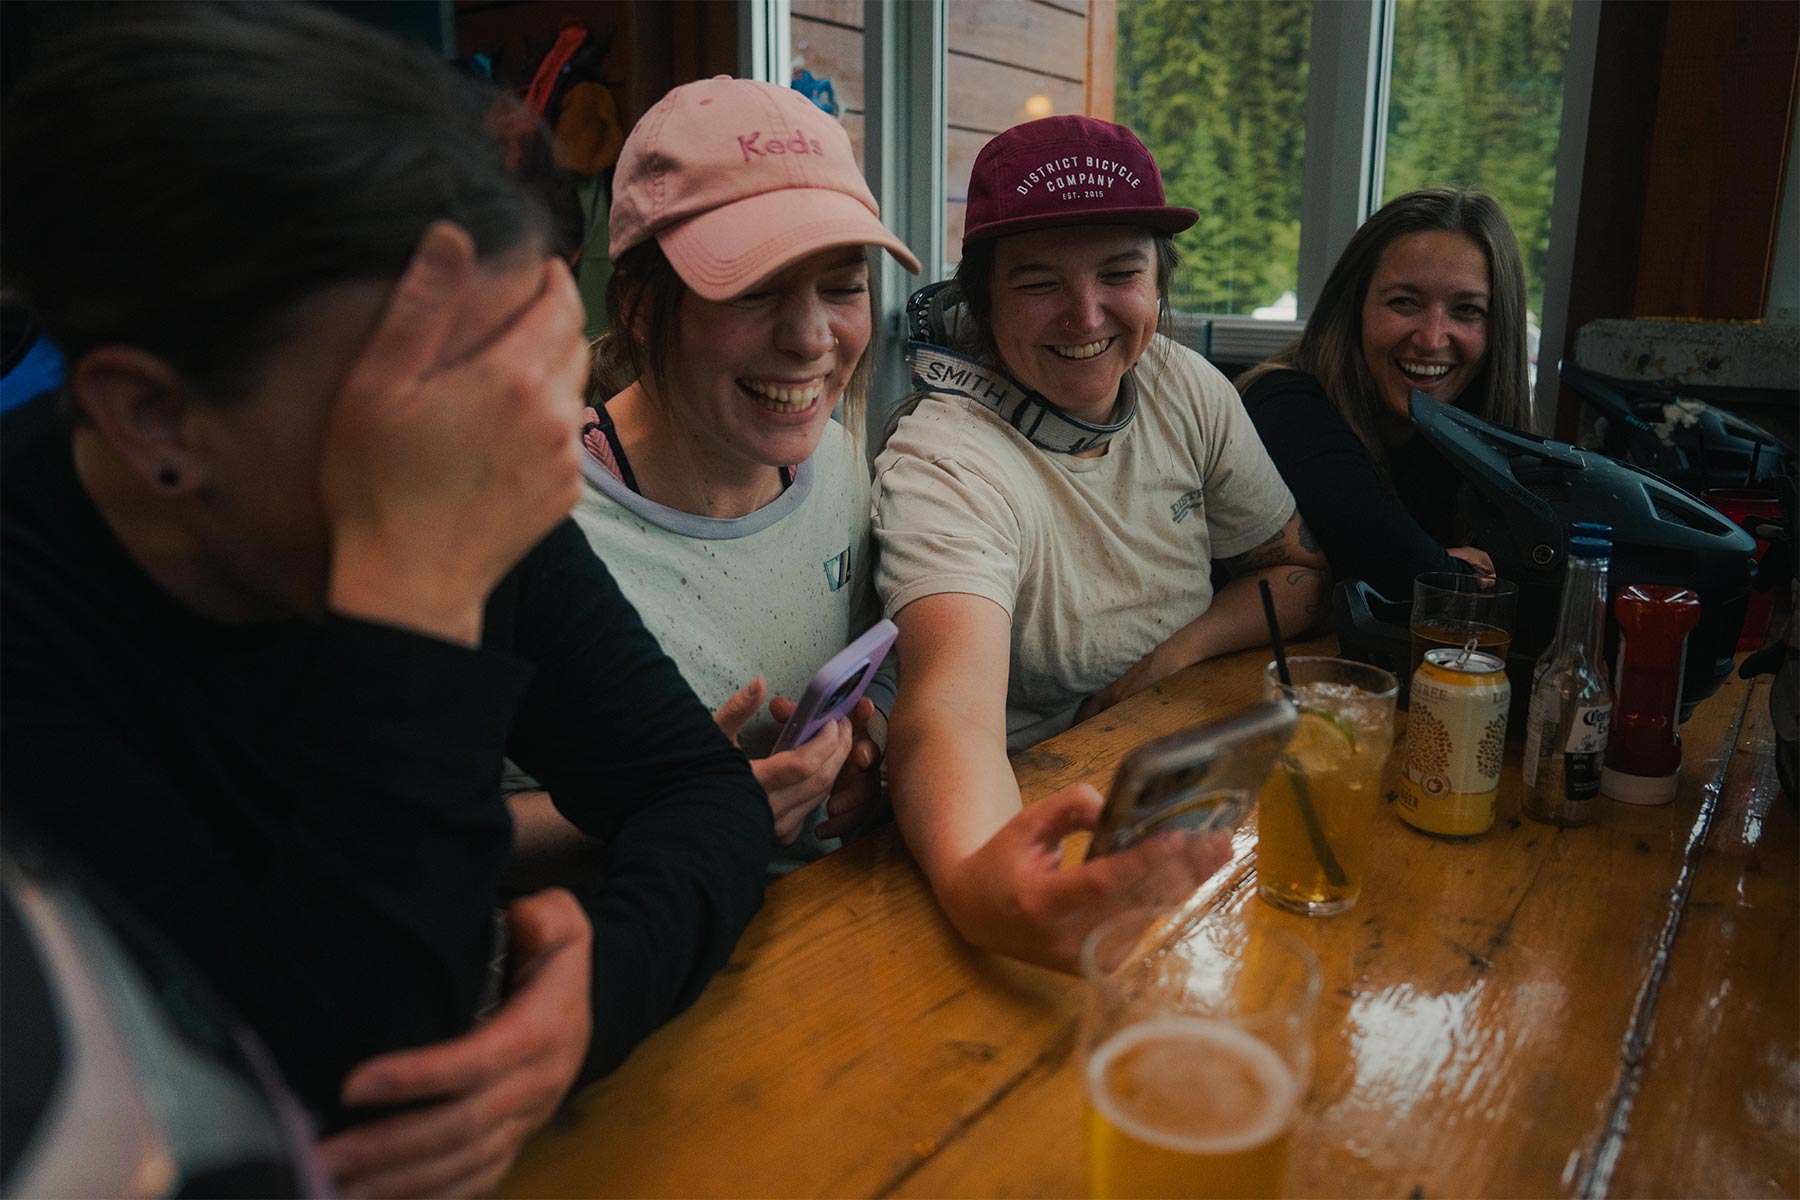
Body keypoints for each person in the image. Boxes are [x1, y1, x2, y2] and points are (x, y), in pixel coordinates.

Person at [0, 5, 770, 1196]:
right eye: (424, 394)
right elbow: (325, 1091)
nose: (529, 462)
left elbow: (696, 790)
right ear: (155, 418)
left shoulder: (456, 469)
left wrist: (590, 1001)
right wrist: (415, 589)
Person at [871, 116, 1329, 970]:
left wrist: (1169, 658)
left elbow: (1298, 573)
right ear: (983, 301)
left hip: (1179, 773)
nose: (1085, 316)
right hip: (1021, 811)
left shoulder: (1184, 386)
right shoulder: (944, 458)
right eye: (1038, 283)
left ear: (1160, 283)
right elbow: (947, 713)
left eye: (1121, 273)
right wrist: (989, 881)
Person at [506, 76, 919, 874]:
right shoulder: (533, 518)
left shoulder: (834, 462)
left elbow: (882, 669)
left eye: (842, 286)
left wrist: (864, 758)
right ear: (635, 306)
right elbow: (454, 832)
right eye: (753, 288)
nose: (809, 339)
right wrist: (680, 802)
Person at [1235, 188, 1536, 601]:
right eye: (1403, 303)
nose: (1431, 339)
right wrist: (1451, 570)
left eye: (1466, 310)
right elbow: (1402, 571)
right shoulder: (1285, 404)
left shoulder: (1464, 429)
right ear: (1354, 306)